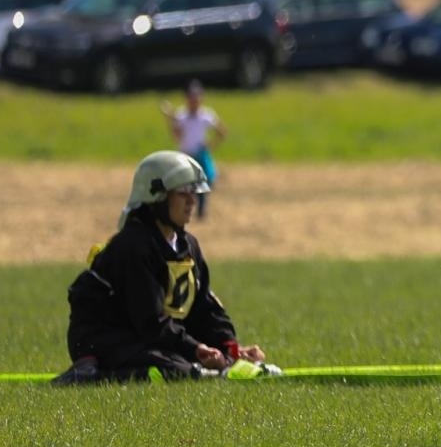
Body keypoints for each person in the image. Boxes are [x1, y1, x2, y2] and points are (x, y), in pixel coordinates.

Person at [53, 150, 276, 384]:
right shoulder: (133, 246)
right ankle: (88, 372)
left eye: (194, 193)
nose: (192, 201)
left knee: (183, 361)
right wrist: (196, 349)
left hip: (149, 336)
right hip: (105, 338)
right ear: (157, 196)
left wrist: (229, 348)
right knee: (174, 368)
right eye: (183, 193)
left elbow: (204, 307)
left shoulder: (189, 246)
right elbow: (150, 321)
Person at [163, 80, 226, 219]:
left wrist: (211, 145)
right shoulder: (181, 115)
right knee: (185, 185)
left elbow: (222, 131)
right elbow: (177, 136)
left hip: (200, 154)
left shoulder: (206, 115)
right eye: (191, 97)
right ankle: (185, 211)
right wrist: (170, 121)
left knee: (205, 181)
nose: (194, 100)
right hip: (186, 155)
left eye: (197, 96)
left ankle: (201, 212)